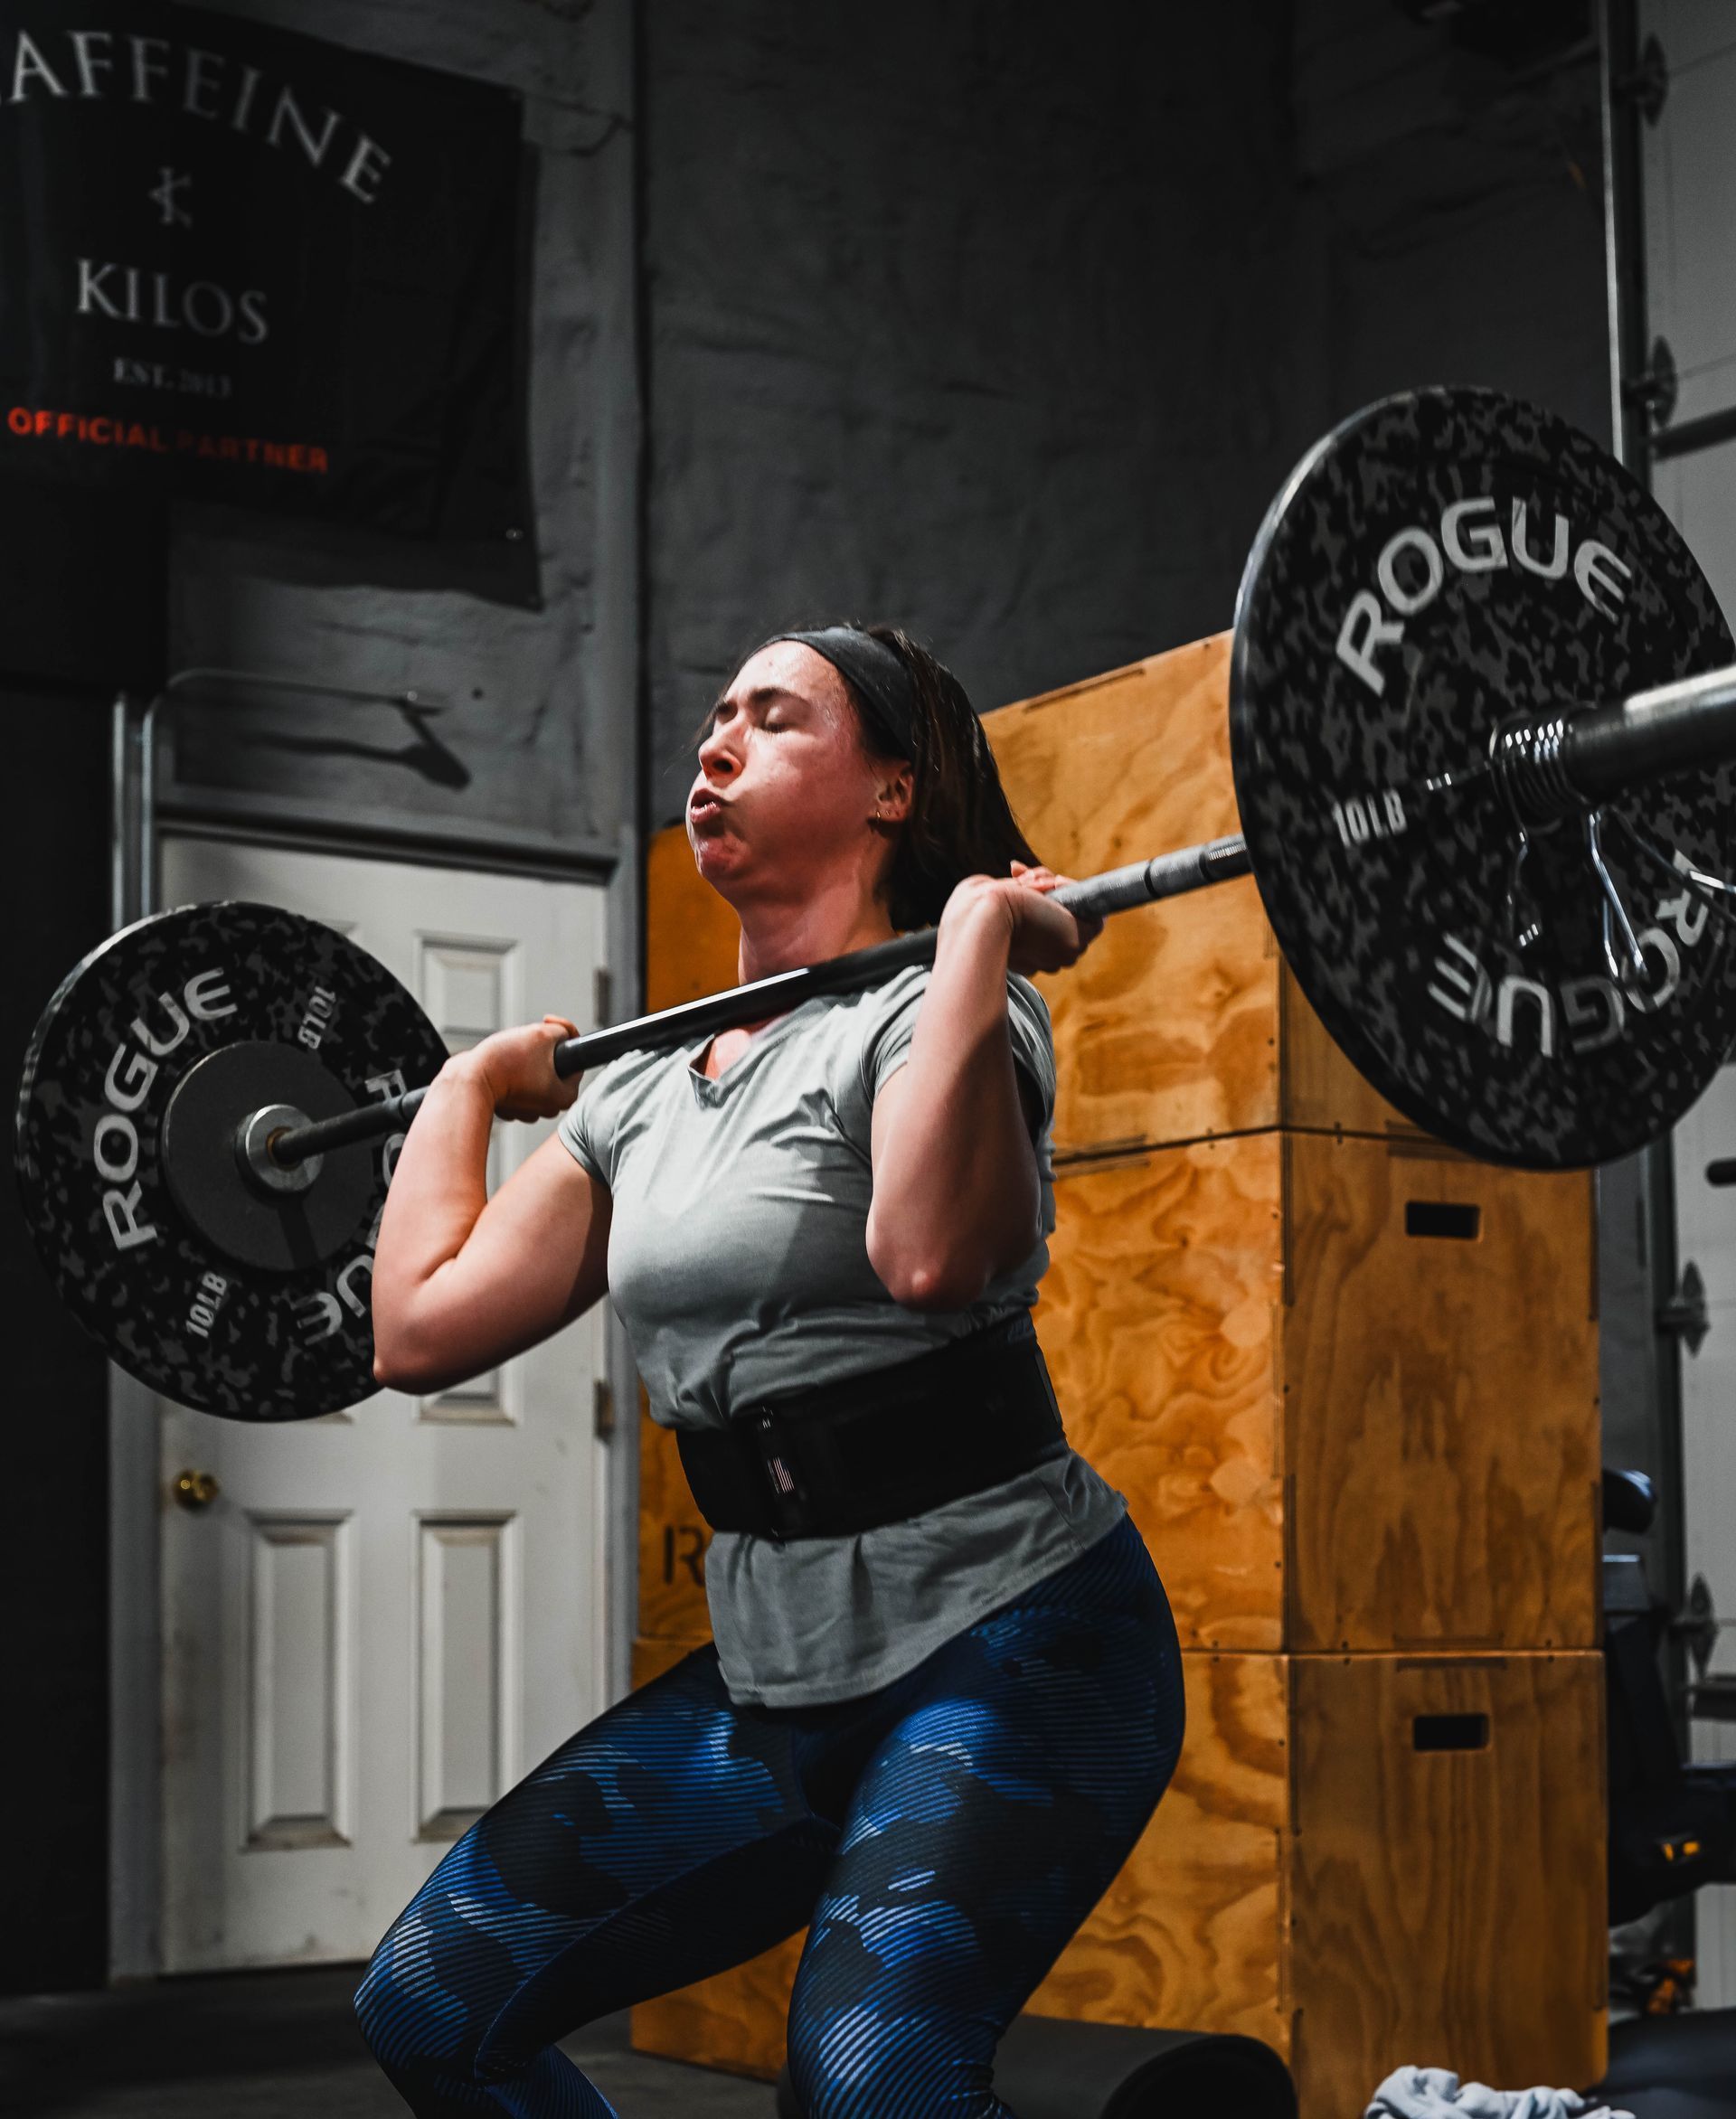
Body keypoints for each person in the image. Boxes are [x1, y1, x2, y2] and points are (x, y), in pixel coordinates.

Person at [354, 623, 1185, 2118]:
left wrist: (977, 951)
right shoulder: (649, 1095)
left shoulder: (926, 1023)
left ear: (890, 791)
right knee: (431, 2004)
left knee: (870, 2090)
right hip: (778, 1671)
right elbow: (419, 1332)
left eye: (775, 719)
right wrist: (470, 1087)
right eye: (714, 718)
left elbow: (931, 1258)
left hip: (1017, 1643)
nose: (714, 746)